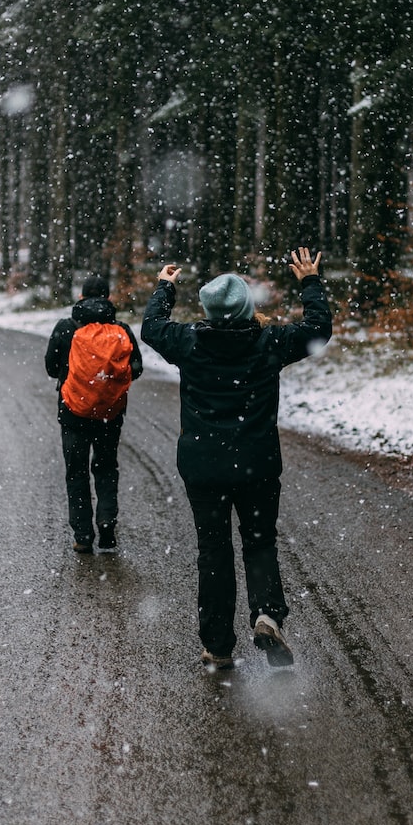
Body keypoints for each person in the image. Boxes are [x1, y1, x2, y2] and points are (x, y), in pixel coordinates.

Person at [141, 249, 331, 668]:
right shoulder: (269, 342)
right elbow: (319, 329)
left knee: (214, 551)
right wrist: (310, 282)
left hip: (203, 467)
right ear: (248, 307)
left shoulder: (189, 341)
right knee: (259, 542)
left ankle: (218, 645)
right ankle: (266, 614)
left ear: (209, 309)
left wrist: (165, 287)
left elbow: (151, 328)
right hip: (256, 464)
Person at [45, 273, 143, 553]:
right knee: (106, 467)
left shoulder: (66, 328)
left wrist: (74, 375)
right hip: (109, 414)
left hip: (73, 413)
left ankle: (83, 536)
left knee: (76, 474)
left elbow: (51, 367)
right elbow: (136, 368)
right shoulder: (121, 329)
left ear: (81, 297)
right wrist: (106, 384)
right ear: (109, 298)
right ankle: (107, 526)